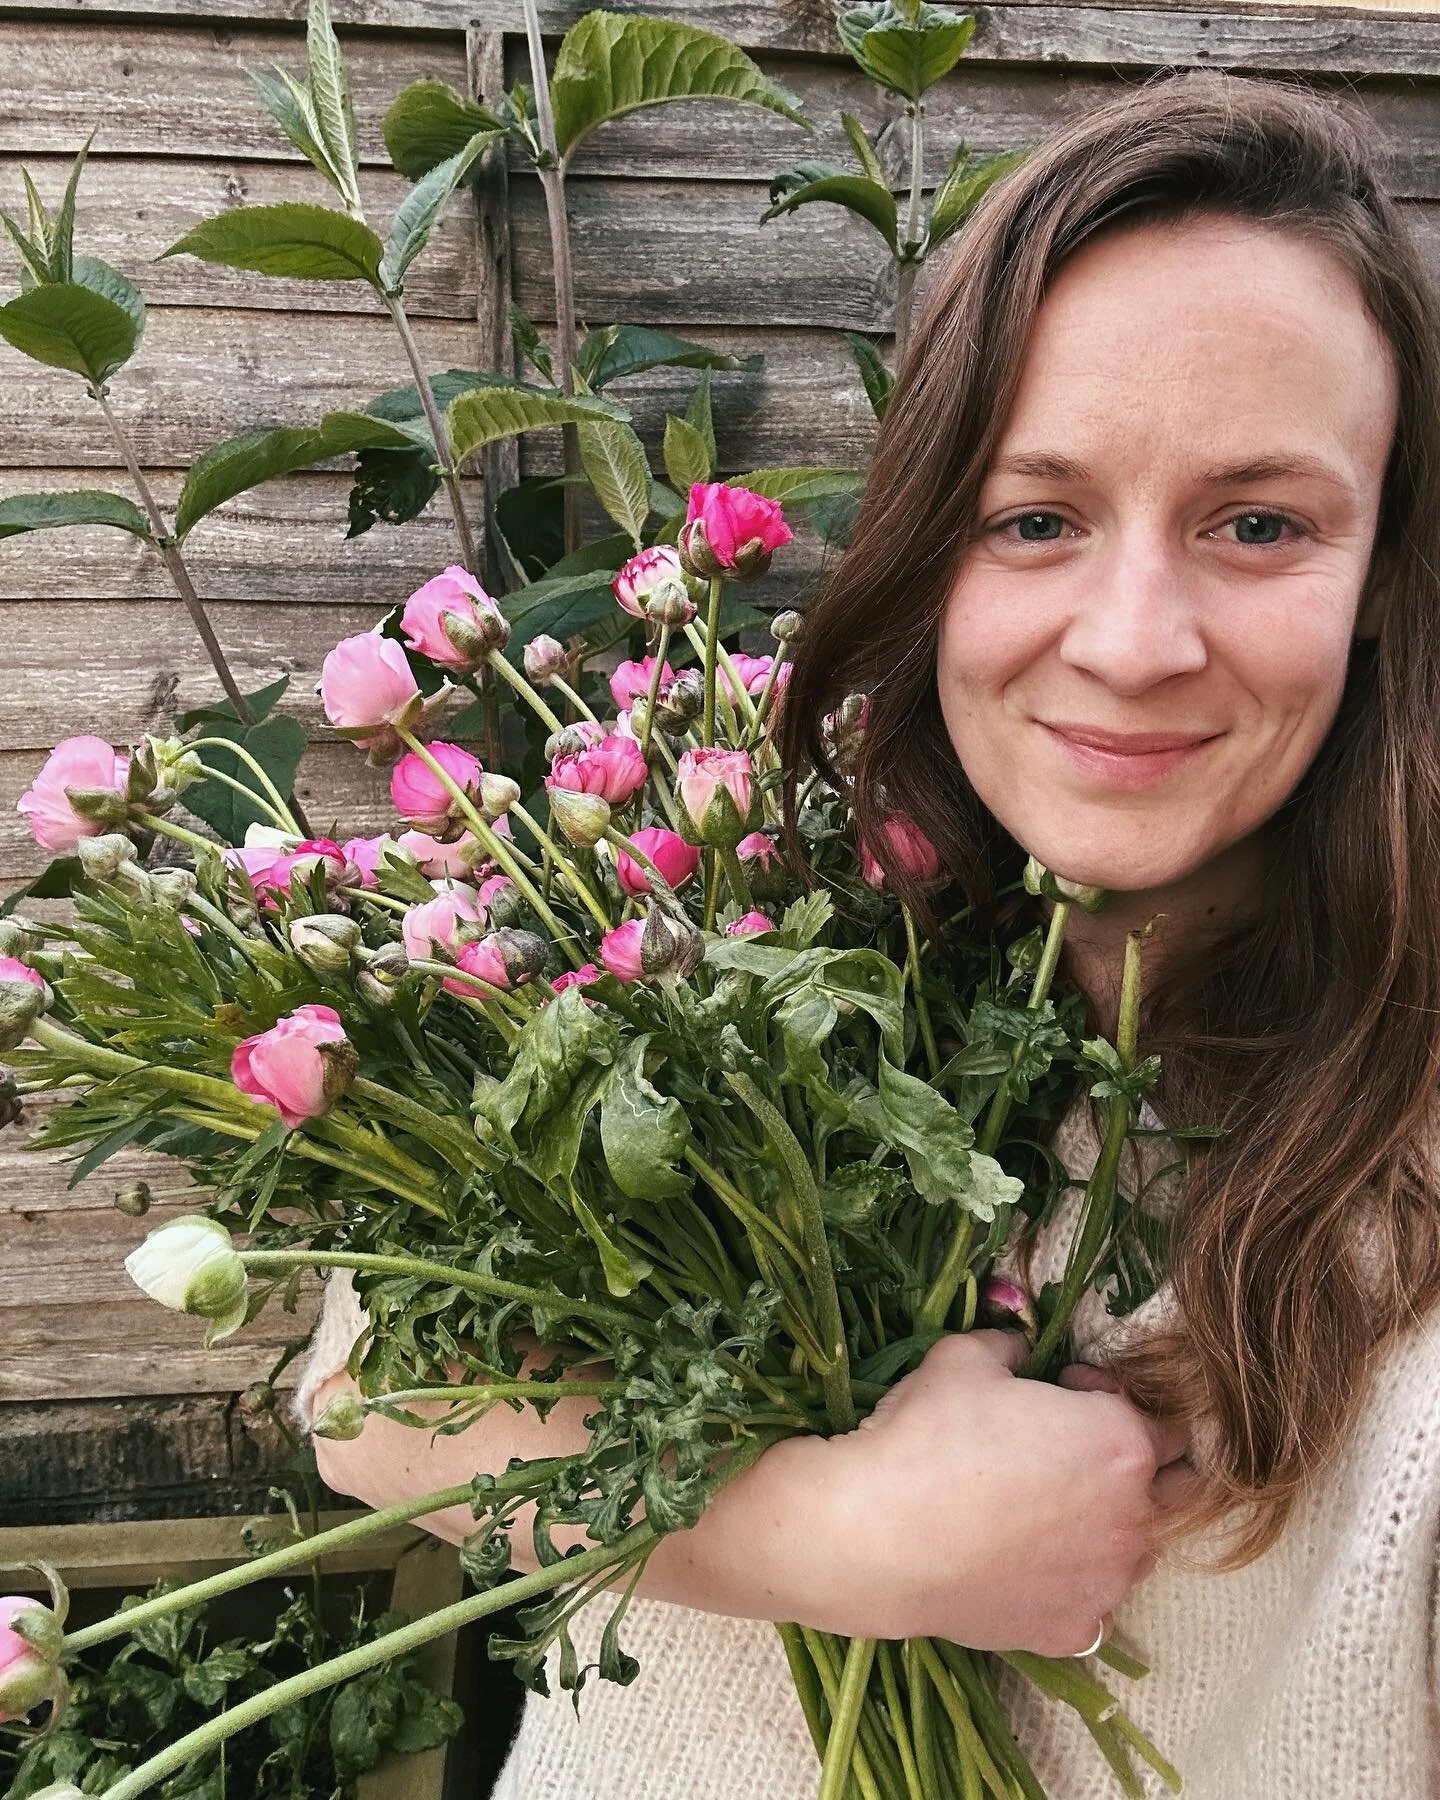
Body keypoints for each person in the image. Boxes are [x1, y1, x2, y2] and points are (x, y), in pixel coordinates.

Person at [300, 69, 1440, 1797]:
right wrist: (828, 1531)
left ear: (1386, 582)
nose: (1134, 643)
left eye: (1260, 524)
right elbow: (363, 1389)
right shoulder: (743, 899)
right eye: (1035, 516)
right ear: (925, 543)